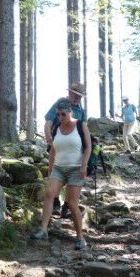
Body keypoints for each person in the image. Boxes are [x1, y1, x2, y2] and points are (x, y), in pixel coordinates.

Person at [32, 98, 92, 250]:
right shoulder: (57, 128)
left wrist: (84, 165)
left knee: (71, 203)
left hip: (76, 169)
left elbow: (88, 147)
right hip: (58, 168)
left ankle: (80, 238)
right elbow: (53, 150)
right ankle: (43, 230)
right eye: (58, 114)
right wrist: (50, 170)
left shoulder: (81, 125)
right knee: (49, 194)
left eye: (63, 114)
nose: (60, 117)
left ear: (70, 112)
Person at [44, 82, 87, 217]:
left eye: (80, 97)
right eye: (75, 95)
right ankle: (55, 202)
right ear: (70, 93)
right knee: (54, 172)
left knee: (73, 177)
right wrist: (49, 138)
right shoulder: (60, 103)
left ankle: (67, 205)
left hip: (75, 150)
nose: (77, 99)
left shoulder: (80, 110)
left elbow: (84, 128)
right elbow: (48, 122)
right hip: (58, 145)